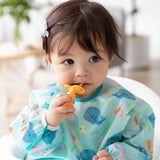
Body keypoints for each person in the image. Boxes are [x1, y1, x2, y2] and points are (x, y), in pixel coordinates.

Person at [9, 0, 155, 159]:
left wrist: (116, 156)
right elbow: (22, 144)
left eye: (93, 59)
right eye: (68, 62)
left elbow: (141, 147)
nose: (81, 72)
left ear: (110, 56)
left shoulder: (126, 105)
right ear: (50, 60)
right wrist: (49, 121)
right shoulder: (43, 101)